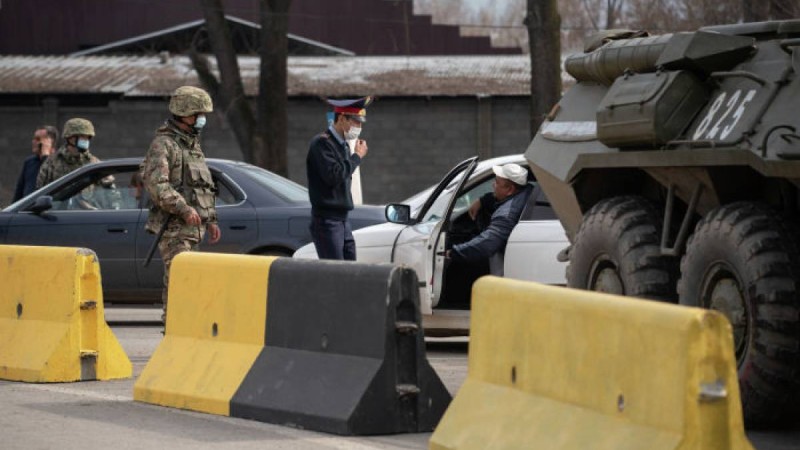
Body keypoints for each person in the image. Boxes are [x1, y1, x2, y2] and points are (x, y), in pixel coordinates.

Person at [140, 85, 221, 324]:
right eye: (198, 114)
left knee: (191, 285)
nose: (202, 119)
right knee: (179, 284)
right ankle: (172, 332)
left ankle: (185, 332)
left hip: (194, 230)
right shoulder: (164, 145)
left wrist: (211, 219)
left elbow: (203, 187)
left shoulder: (192, 146)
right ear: (183, 113)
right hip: (174, 229)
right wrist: (183, 208)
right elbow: (157, 185)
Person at [306, 96, 372, 260]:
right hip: (327, 221)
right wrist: (356, 156)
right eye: (356, 122)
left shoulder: (342, 145)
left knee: (348, 272)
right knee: (335, 275)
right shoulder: (322, 144)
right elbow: (335, 176)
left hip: (342, 220)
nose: (359, 127)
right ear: (342, 118)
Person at [446, 163, 533, 276]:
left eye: (497, 182)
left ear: (510, 189)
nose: (493, 185)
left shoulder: (506, 214)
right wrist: (483, 200)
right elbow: (500, 197)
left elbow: (487, 243)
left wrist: (453, 253)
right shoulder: (527, 191)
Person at [36, 118, 100, 188]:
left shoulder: (94, 163)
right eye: (82, 136)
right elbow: (41, 192)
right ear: (70, 137)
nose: (86, 140)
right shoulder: (51, 163)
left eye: (88, 137)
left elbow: (110, 191)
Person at [13, 125, 58, 201]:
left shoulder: (58, 161)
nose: (33, 142)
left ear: (49, 141)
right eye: (34, 139)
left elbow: (50, 179)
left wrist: (45, 156)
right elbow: (19, 191)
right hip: (26, 209)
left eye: (38, 139)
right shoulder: (29, 162)